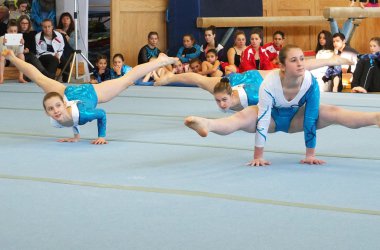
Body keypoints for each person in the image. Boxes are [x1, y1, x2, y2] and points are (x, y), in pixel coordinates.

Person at [183, 45, 380, 166]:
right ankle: (208, 124)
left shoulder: (311, 83)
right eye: (294, 60)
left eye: (302, 59)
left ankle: (375, 118)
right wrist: (258, 155)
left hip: (297, 120)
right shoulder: (269, 83)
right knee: (243, 117)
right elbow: (263, 119)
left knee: (331, 112)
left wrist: (310, 154)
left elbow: (310, 117)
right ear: (283, 66)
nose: (301, 63)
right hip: (271, 121)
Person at [3, 49, 178, 144]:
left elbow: (100, 114)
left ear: (63, 105)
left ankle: (160, 61)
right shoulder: (55, 119)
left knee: (127, 79)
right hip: (67, 93)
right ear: (46, 113)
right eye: (51, 109)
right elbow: (70, 119)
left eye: (56, 106)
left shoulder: (81, 114)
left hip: (93, 93)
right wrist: (76, 136)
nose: (55, 111)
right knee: (39, 79)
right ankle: (12, 56)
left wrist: (101, 136)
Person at [155, 55, 353, 112]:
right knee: (200, 80)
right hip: (242, 80)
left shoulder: (277, 82)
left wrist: (332, 61)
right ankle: (168, 77)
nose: (221, 105)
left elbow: (303, 65)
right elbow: (196, 78)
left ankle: (332, 60)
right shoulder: (226, 89)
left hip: (256, 79)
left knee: (297, 68)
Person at [17, 15, 52, 79]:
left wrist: (28, 50)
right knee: (31, 56)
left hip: (29, 55)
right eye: (22, 23)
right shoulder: (16, 33)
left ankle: (39, 76)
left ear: (29, 24)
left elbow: (34, 49)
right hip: (18, 55)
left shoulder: (32, 34)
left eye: (26, 23)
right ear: (19, 23)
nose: (24, 25)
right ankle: (46, 75)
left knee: (31, 55)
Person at [0, 19, 28, 83]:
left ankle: (21, 77)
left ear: (17, 31)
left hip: (13, 60)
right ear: (7, 31)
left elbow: (20, 52)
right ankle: (1, 77)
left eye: (15, 31)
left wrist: (22, 44)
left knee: (21, 55)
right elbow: (3, 52)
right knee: (2, 56)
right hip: (4, 60)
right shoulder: (2, 38)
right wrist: (4, 44)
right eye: (11, 31)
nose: (13, 33)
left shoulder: (19, 38)